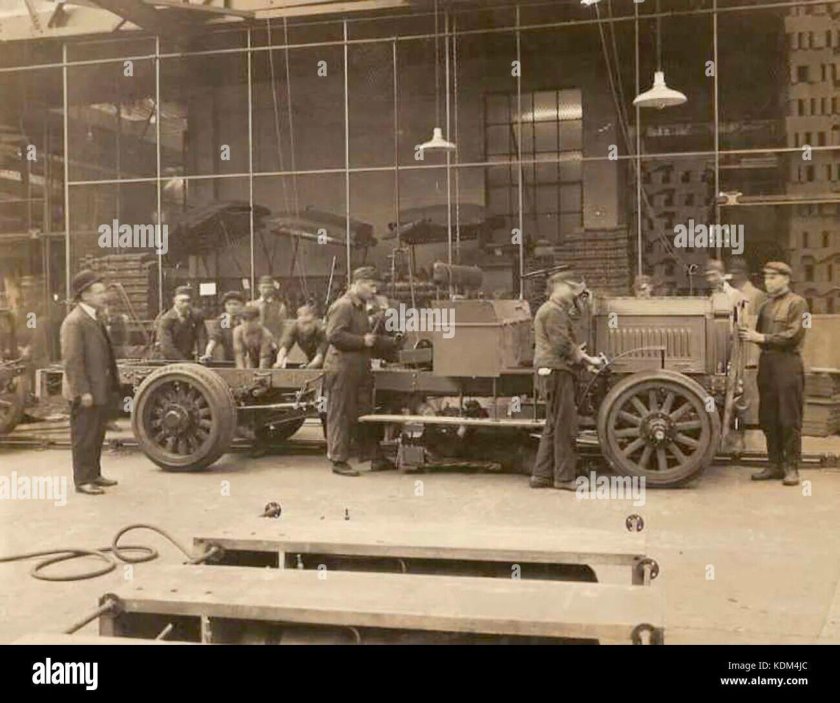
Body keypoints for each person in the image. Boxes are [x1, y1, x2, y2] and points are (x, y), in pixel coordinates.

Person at [531, 271, 604, 490]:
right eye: (572, 289)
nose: (575, 294)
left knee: (553, 425)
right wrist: (586, 359)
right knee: (566, 426)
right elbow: (562, 345)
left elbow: (566, 343)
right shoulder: (553, 311)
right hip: (556, 370)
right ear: (559, 287)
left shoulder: (553, 310)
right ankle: (564, 478)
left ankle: (541, 475)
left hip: (551, 370)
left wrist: (581, 359)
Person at [323, 266, 399, 477]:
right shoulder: (344, 306)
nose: (374, 291)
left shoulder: (361, 307)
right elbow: (334, 336)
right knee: (340, 413)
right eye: (371, 285)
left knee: (364, 413)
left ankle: (374, 456)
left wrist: (392, 342)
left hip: (359, 368)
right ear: (357, 283)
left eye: (376, 286)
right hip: (342, 368)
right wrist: (361, 341)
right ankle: (338, 460)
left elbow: (368, 339)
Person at [739, 262, 808, 486]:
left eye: (773, 277)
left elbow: (795, 335)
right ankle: (774, 464)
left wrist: (762, 338)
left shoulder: (799, 304)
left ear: (786, 279)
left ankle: (792, 468)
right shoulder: (766, 306)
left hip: (788, 364)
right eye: (766, 277)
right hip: (767, 364)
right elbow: (757, 336)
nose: (768, 281)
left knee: (789, 418)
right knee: (768, 417)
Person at [60, 270, 120, 495]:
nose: (103, 295)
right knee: (84, 435)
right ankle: (83, 480)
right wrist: (82, 391)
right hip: (86, 392)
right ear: (84, 295)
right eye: (98, 292)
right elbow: (72, 361)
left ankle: (94, 474)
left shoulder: (93, 317)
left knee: (96, 434)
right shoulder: (74, 322)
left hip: (99, 389)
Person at [157, 286, 207, 360]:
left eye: (188, 301)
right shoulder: (166, 319)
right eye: (182, 301)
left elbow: (202, 338)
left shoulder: (196, 316)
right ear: (174, 300)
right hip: (169, 361)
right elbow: (167, 347)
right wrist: (183, 362)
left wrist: (202, 356)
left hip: (189, 358)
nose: (186, 304)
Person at [274, 304, 328, 369]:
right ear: (298, 322)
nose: (307, 327)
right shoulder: (294, 328)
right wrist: (279, 362)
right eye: (304, 323)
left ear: (315, 320)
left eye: (309, 322)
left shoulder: (321, 331)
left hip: (328, 360)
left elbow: (320, 357)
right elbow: (284, 349)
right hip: (311, 358)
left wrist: (308, 368)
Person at [202, 291, 245, 362]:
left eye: (235, 304)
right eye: (229, 304)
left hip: (247, 357)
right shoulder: (222, 320)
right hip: (229, 357)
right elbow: (215, 338)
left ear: (242, 305)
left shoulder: (247, 319)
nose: (232, 307)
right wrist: (208, 353)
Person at [233, 305, 276, 369]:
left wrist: (260, 374)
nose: (247, 324)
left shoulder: (265, 334)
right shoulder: (237, 331)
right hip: (252, 358)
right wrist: (241, 372)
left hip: (272, 360)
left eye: (251, 320)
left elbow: (265, 358)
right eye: (244, 320)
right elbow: (239, 353)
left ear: (257, 319)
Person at [254, 275, 287, 340]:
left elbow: (282, 326)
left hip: (273, 340)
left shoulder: (280, 307)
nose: (266, 290)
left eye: (269, 287)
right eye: (264, 287)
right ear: (259, 288)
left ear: (273, 289)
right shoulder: (251, 305)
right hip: (255, 340)